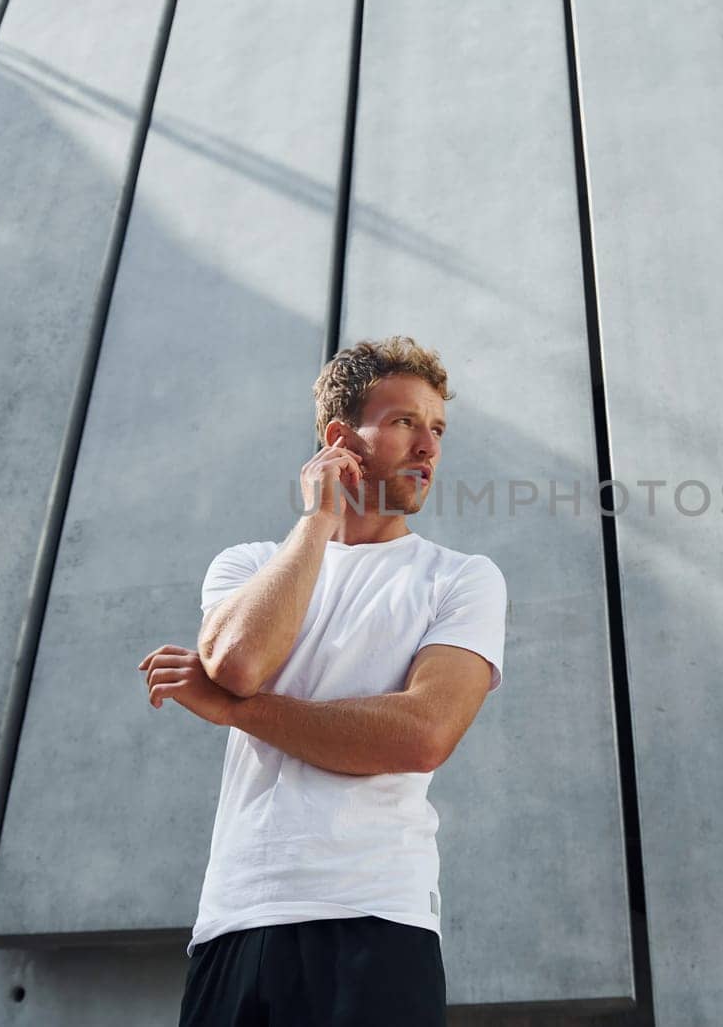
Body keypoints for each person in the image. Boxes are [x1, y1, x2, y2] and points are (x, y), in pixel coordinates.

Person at [141, 336, 508, 1026]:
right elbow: (238, 663)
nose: (428, 446)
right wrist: (318, 518)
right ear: (341, 439)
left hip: (373, 918)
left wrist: (235, 712)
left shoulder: (461, 579)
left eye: (437, 429)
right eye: (404, 422)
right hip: (232, 922)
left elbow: (423, 734)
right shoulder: (248, 565)